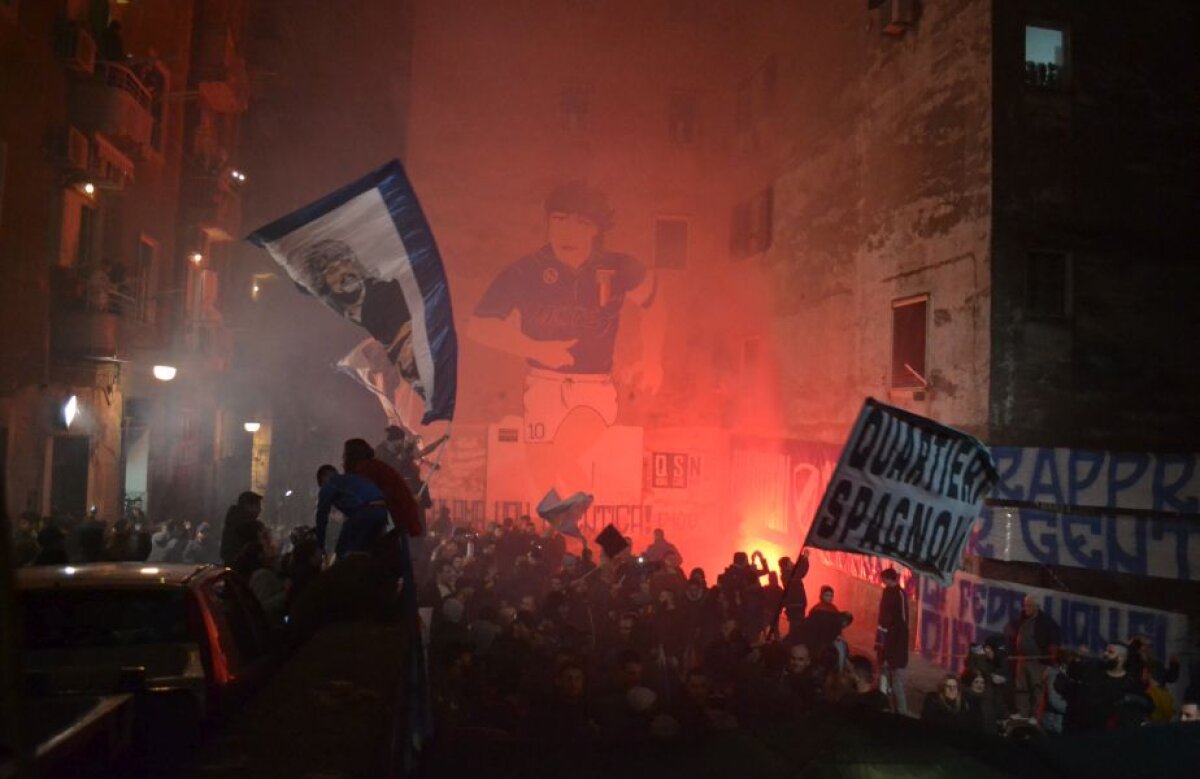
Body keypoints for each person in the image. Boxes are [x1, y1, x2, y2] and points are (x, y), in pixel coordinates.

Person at [466, 181, 664, 492]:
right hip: (542, 385)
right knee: (545, 479)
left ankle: (583, 529)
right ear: (548, 223)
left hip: (594, 386)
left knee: (555, 459)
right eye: (559, 220)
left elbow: (654, 299)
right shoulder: (525, 271)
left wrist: (652, 358)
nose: (568, 233)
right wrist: (534, 348)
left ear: (595, 230)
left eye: (581, 223)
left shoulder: (618, 267)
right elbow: (478, 326)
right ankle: (581, 534)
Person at [343, 438, 423, 538]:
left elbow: (373, 500)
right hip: (398, 517)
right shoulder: (372, 466)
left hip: (394, 518)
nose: (343, 458)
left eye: (345, 455)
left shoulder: (365, 469)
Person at [314, 464, 391, 559]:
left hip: (365, 513)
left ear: (323, 478)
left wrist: (320, 546)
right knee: (372, 549)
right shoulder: (352, 479)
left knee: (343, 551)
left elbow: (322, 516)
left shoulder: (330, 484)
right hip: (382, 512)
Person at [1005, 595, 1061, 716]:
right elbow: (1011, 629)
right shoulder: (1022, 618)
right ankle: (1022, 713)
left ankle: (1035, 717)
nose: (1026, 608)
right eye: (1025, 605)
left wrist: (1051, 660)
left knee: (1037, 689)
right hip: (1022, 659)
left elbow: (1054, 642)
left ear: (1037, 607)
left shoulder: (1047, 622)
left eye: (1029, 605)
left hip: (1037, 661)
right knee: (1021, 688)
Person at [875, 568, 910, 715]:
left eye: (884, 579)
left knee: (896, 682)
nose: (883, 582)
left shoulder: (900, 593)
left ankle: (901, 711)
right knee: (883, 677)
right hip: (884, 637)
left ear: (891, 579)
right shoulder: (886, 591)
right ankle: (883, 707)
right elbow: (882, 616)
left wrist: (893, 635)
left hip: (896, 642)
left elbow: (903, 619)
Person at [219, 491, 264, 566]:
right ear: (247, 506)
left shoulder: (231, 522)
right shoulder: (252, 527)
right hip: (244, 572)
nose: (260, 510)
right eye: (258, 506)